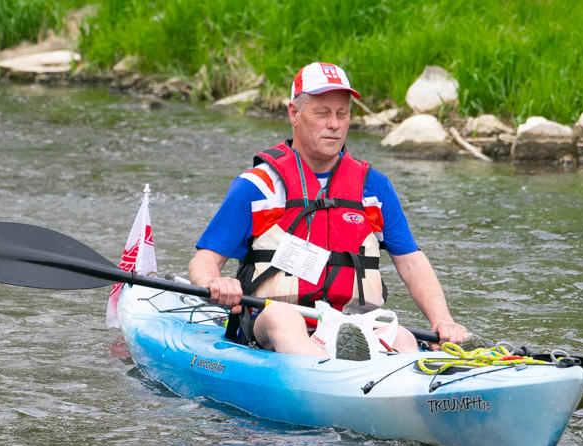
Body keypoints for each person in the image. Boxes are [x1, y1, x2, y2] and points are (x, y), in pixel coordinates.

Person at [189, 61, 470, 360]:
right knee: (284, 318)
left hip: (352, 320)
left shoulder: (374, 188)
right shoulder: (257, 187)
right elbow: (204, 261)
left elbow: (411, 262)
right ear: (294, 114)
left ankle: (398, 377)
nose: (334, 124)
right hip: (271, 320)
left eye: (342, 113)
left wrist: (442, 320)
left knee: (400, 337)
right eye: (322, 113)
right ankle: (326, 370)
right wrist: (214, 283)